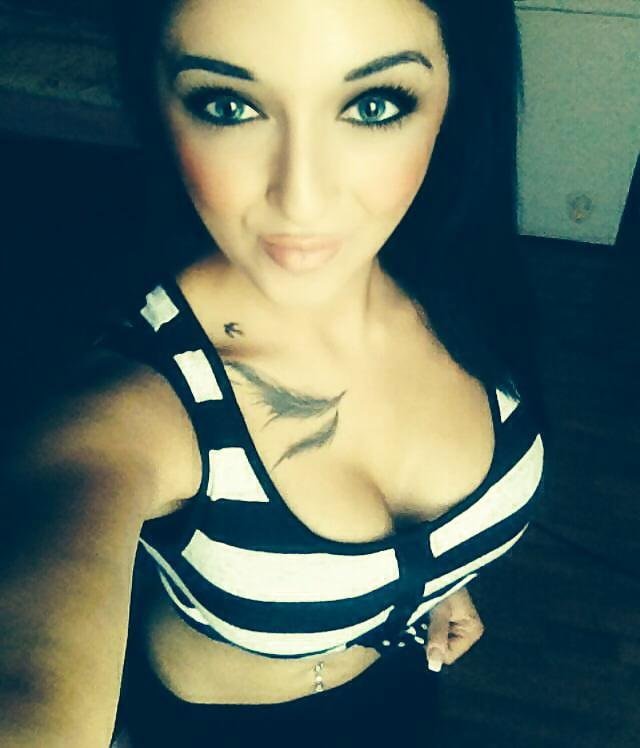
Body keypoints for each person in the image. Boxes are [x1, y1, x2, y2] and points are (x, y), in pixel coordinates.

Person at [0, 1, 548, 746]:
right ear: (156, 103)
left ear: (456, 93)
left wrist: (433, 584)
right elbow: (33, 677)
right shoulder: (128, 412)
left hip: (406, 681)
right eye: (228, 106)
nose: (301, 197)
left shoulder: (462, 279)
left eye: (375, 104)